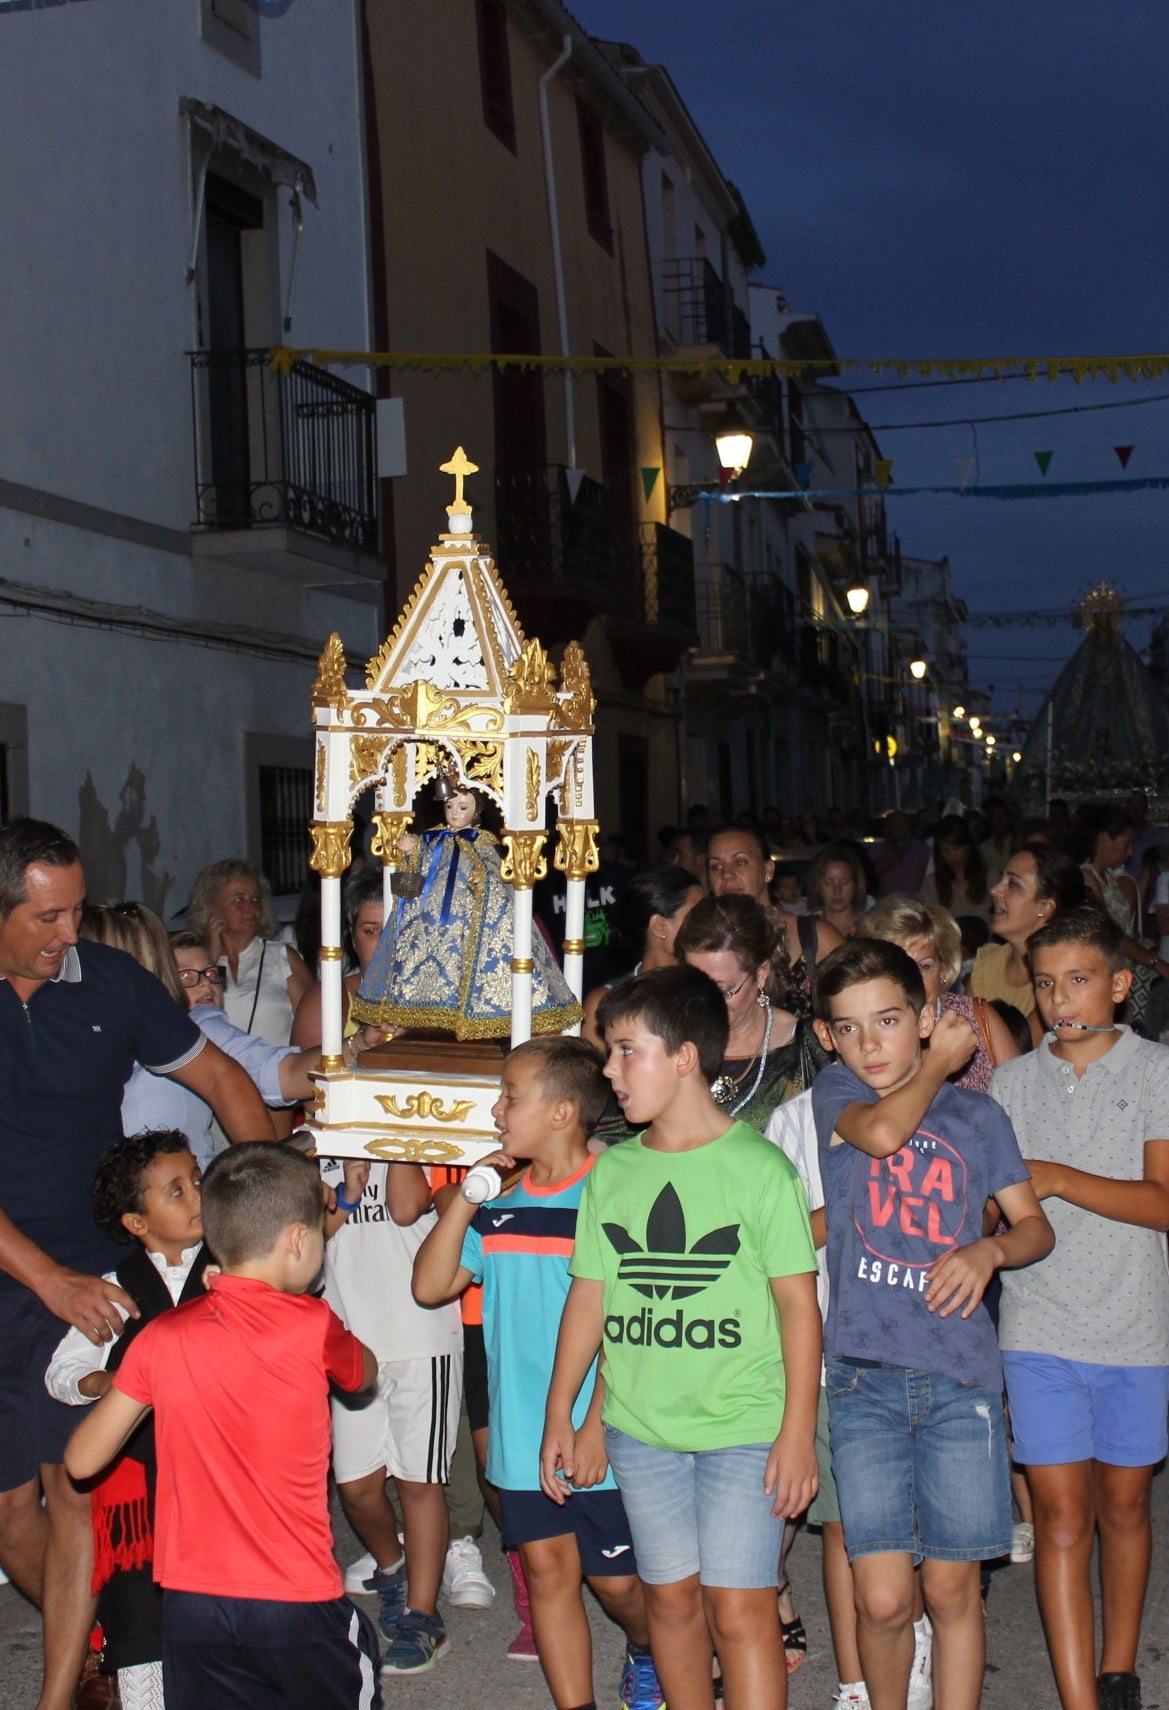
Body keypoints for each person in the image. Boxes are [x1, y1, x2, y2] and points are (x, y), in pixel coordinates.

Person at [0, 819, 275, 1710]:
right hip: (31, 1274)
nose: (68, 935)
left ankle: (76, 1683)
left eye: (75, 912)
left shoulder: (110, 982)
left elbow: (228, 1082)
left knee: (71, 1487)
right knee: (9, 1518)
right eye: (47, 918)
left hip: (86, 1270)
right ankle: (104, 1649)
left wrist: (267, 1222)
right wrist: (44, 1278)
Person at [541, 965, 822, 1710]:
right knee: (669, 1602)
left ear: (684, 1058)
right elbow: (590, 1299)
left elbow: (799, 1307)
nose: (609, 1069)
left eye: (625, 1050)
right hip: (642, 1429)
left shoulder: (758, 1170)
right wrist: (564, 1414)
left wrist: (797, 1434)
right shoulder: (614, 1171)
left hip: (744, 1427)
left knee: (739, 1608)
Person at [811, 939, 1053, 1710]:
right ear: (825, 1038)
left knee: (951, 1590)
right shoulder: (836, 1096)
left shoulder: (977, 1116)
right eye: (848, 1028)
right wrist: (935, 1068)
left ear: (923, 1018)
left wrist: (988, 1250)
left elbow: (1033, 1228)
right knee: (882, 1599)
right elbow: (882, 1136)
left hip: (959, 1377)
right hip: (863, 1377)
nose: (869, 1043)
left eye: (887, 1020)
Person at [63, 1144, 381, 1710]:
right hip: (295, 1595)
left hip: (191, 1606)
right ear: (298, 1241)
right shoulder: (311, 1323)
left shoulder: (162, 1336)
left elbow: (82, 1461)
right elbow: (363, 1374)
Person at [414, 1036, 666, 1710]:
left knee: (617, 1586)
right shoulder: (498, 1203)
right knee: (549, 1574)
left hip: (601, 1427)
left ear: (561, 1114)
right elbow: (432, 1285)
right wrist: (469, 1195)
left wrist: (593, 1424)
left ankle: (650, 1651)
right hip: (523, 1433)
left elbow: (629, 1320)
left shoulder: (611, 1192)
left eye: (510, 1097)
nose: (496, 1110)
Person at [990, 906, 1169, 1710]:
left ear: (1119, 986)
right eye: (1046, 983)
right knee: (1061, 1516)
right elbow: (994, 1210)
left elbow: (1162, 1203)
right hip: (1038, 1322)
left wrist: (1056, 1177)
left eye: (1079, 980)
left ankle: (1119, 1666)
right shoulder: (1011, 1082)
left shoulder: (1156, 1072)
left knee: (1124, 1506)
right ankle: (1077, 1697)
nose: (1061, 998)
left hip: (1134, 1321)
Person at [46, 1131, 212, 1710]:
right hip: (141, 1493)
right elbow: (63, 1369)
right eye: (176, 1190)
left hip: (219, 1479)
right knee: (140, 1617)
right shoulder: (117, 1289)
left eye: (197, 1179)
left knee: (220, 1613)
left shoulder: (235, 1268)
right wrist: (102, 1383)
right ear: (138, 1223)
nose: (196, 1195)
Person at [318, 1139, 463, 1675]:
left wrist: (391, 1132)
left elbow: (406, 1206)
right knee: (355, 1487)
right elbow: (309, 1239)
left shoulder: (419, 1136)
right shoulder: (323, 1145)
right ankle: (393, 1567)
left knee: (419, 1482)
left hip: (420, 1335)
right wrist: (348, 1194)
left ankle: (424, 1617)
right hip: (353, 1340)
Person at [77, 907, 343, 1168]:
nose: (205, 984)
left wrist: (358, 1048)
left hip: (188, 1202)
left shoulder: (196, 1027)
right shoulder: (80, 1036)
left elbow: (282, 1073)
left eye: (211, 973)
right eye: (186, 975)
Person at [351, 784, 580, 1038]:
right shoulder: (436, 838)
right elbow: (423, 862)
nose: (455, 813)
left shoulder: (482, 843)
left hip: (468, 917)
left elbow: (496, 874)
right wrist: (412, 848)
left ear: (476, 811)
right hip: (435, 914)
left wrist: (482, 881)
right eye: (450, 807)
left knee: (468, 959)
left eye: (462, 807)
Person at [858, 896, 1020, 1091]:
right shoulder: (863, 1033)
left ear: (942, 969)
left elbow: (1023, 1102)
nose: (914, 979)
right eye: (899, 968)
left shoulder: (977, 1019)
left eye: (924, 966)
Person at [705, 823, 842, 1018]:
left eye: (741, 862)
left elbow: (858, 1009)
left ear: (768, 870)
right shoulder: (702, 945)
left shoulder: (815, 937)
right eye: (716, 866)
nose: (726, 874)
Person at [186, 859, 312, 1047]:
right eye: (239, 900)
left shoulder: (282, 957)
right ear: (212, 907)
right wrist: (210, 957)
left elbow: (313, 1024)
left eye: (256, 899)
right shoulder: (193, 963)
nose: (250, 908)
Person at [969, 844, 1086, 1043]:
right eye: (1001, 879)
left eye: (1013, 884)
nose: (995, 890)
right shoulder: (987, 962)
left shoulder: (1063, 979)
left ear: (1044, 907)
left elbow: (1019, 1056)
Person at [581, 865, 704, 1050]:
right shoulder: (604, 1001)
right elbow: (592, 1076)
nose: (709, 922)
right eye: (698, 915)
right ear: (659, 926)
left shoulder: (710, 988)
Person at [919, 816, 996, 927]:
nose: (951, 856)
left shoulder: (990, 878)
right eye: (946, 850)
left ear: (968, 847)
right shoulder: (932, 883)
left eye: (956, 848)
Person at [805, 845, 872, 940]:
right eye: (828, 883)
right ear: (817, 885)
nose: (837, 891)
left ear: (856, 883)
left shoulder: (870, 930)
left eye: (844, 882)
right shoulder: (806, 929)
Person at [870, 811, 930, 900]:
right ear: (886, 830)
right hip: (885, 909)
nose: (903, 831)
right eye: (897, 827)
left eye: (906, 826)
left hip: (917, 907)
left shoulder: (923, 850)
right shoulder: (876, 852)